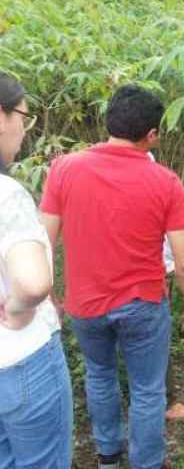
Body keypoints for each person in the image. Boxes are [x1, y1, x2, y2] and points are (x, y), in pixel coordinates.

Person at [39, 85, 184, 469]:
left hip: (85, 304)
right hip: (143, 305)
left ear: (107, 122)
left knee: (99, 377)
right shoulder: (165, 182)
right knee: (147, 391)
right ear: (152, 136)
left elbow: (43, 241)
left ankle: (108, 457)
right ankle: (146, 463)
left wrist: (48, 296)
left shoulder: (64, 169)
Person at [0, 71, 73, 468]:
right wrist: (18, 308)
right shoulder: (6, 193)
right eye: (22, 118)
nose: (25, 132)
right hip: (21, 360)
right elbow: (32, 281)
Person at [146, 151, 184, 423]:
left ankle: (109, 453)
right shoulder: (159, 179)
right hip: (153, 275)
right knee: (155, 341)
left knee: (101, 372)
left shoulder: (92, 171)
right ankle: (165, 400)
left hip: (101, 284)